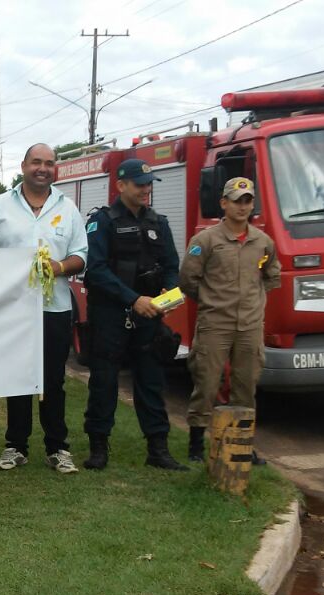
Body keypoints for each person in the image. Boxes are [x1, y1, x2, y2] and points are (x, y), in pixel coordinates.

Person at [0, 144, 88, 475]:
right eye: (36, 162)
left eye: (49, 163)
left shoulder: (67, 208)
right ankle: (16, 446)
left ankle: (57, 448)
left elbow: (82, 256)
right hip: (12, 309)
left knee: (53, 380)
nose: (43, 168)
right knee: (17, 378)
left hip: (55, 308)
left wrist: (58, 267)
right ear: (23, 165)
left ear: (55, 169)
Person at [83, 159, 187, 471]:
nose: (146, 189)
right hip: (110, 315)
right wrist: (133, 299)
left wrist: (168, 294)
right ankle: (98, 447)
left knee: (151, 381)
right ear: (121, 185)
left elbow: (171, 266)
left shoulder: (159, 223)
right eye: (140, 184)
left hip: (149, 317)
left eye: (149, 183)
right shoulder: (102, 221)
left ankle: (158, 449)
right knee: (104, 383)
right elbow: (96, 270)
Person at [180, 177, 280, 464]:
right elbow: (188, 279)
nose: (242, 206)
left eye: (247, 201)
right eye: (237, 201)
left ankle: (241, 445)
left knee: (245, 385)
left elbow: (272, 276)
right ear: (224, 203)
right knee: (207, 383)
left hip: (249, 326)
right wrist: (212, 301)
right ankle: (196, 444)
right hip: (215, 324)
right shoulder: (206, 240)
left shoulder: (262, 242)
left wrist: (253, 302)